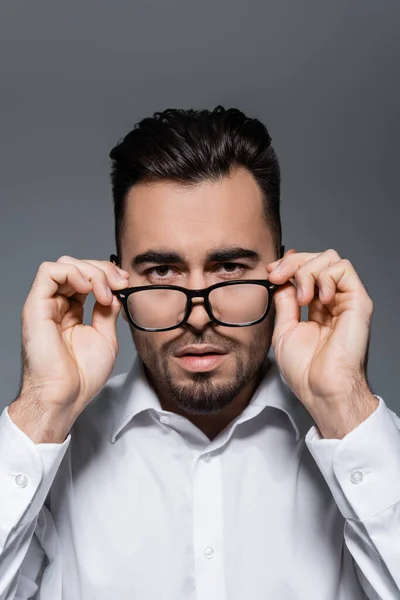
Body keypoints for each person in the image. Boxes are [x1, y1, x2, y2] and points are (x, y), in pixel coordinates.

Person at [0, 106, 399, 600]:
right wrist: (41, 408)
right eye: (162, 272)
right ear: (115, 279)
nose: (197, 315)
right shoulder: (46, 463)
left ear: (283, 275)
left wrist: (346, 407)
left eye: (229, 267)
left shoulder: (371, 451)